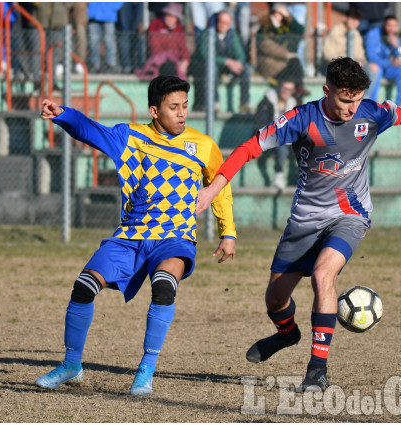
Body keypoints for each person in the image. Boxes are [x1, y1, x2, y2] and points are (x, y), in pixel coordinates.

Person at [195, 57, 401, 391]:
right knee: (275, 299)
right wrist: (213, 189)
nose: (351, 107)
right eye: (345, 99)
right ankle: (287, 334)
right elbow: (249, 148)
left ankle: (317, 371)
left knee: (322, 275)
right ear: (327, 91)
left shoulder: (370, 112)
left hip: (350, 215)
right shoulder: (302, 119)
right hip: (304, 220)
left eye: (356, 99)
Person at [35, 75, 237, 396]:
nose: (182, 113)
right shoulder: (130, 136)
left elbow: (220, 186)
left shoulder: (203, 144)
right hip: (131, 234)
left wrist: (228, 232)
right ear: (154, 111)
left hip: (175, 237)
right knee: (84, 287)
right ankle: (72, 365)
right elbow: (90, 130)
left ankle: (145, 371)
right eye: (174, 107)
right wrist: (63, 114)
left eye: (185, 106)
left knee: (164, 287)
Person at [189, 10, 252, 113]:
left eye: (226, 23)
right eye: (221, 22)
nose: (223, 25)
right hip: (210, 66)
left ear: (230, 24)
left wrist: (237, 63)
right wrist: (226, 61)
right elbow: (206, 55)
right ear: (217, 22)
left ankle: (244, 103)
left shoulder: (232, 34)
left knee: (247, 69)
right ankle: (215, 102)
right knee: (212, 68)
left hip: (228, 67)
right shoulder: (207, 33)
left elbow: (240, 54)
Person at [322, 6, 379, 99]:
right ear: (346, 18)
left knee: (374, 68)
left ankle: (364, 98)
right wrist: (345, 62)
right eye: (352, 18)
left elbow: (361, 54)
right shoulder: (336, 31)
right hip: (338, 66)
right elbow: (327, 53)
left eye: (357, 20)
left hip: (354, 65)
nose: (354, 22)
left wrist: (359, 60)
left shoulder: (356, 34)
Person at [256, 3, 308, 101]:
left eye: (281, 14)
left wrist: (288, 16)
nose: (278, 16)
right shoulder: (265, 26)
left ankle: (298, 96)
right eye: (276, 13)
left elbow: (300, 31)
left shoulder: (284, 27)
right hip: (271, 65)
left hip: (284, 64)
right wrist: (286, 54)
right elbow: (266, 45)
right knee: (294, 65)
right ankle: (298, 91)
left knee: (294, 66)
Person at [254, 79, 297, 189]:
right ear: (279, 87)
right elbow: (260, 124)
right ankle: (279, 174)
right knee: (281, 145)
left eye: (290, 89)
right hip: (268, 138)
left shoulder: (293, 103)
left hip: (288, 140)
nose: (287, 91)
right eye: (285, 88)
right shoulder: (266, 102)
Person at [135, 3, 190, 81]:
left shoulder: (179, 29)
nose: (170, 19)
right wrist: (168, 55)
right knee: (168, 67)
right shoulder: (155, 25)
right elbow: (154, 48)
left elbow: (184, 49)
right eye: (168, 15)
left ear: (177, 19)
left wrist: (185, 61)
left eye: (173, 16)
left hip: (174, 62)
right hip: (160, 61)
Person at [364, 15, 401, 106]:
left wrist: (397, 46)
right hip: (375, 66)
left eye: (394, 26)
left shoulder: (396, 38)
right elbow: (371, 57)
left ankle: (400, 104)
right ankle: (372, 104)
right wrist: (390, 62)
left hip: (389, 68)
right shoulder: (373, 34)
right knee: (377, 70)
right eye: (389, 25)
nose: (391, 29)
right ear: (384, 25)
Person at [87, 2, 123, 73]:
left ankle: (111, 64)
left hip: (109, 15)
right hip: (93, 14)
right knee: (93, 41)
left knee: (109, 41)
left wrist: (113, 7)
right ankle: (94, 65)